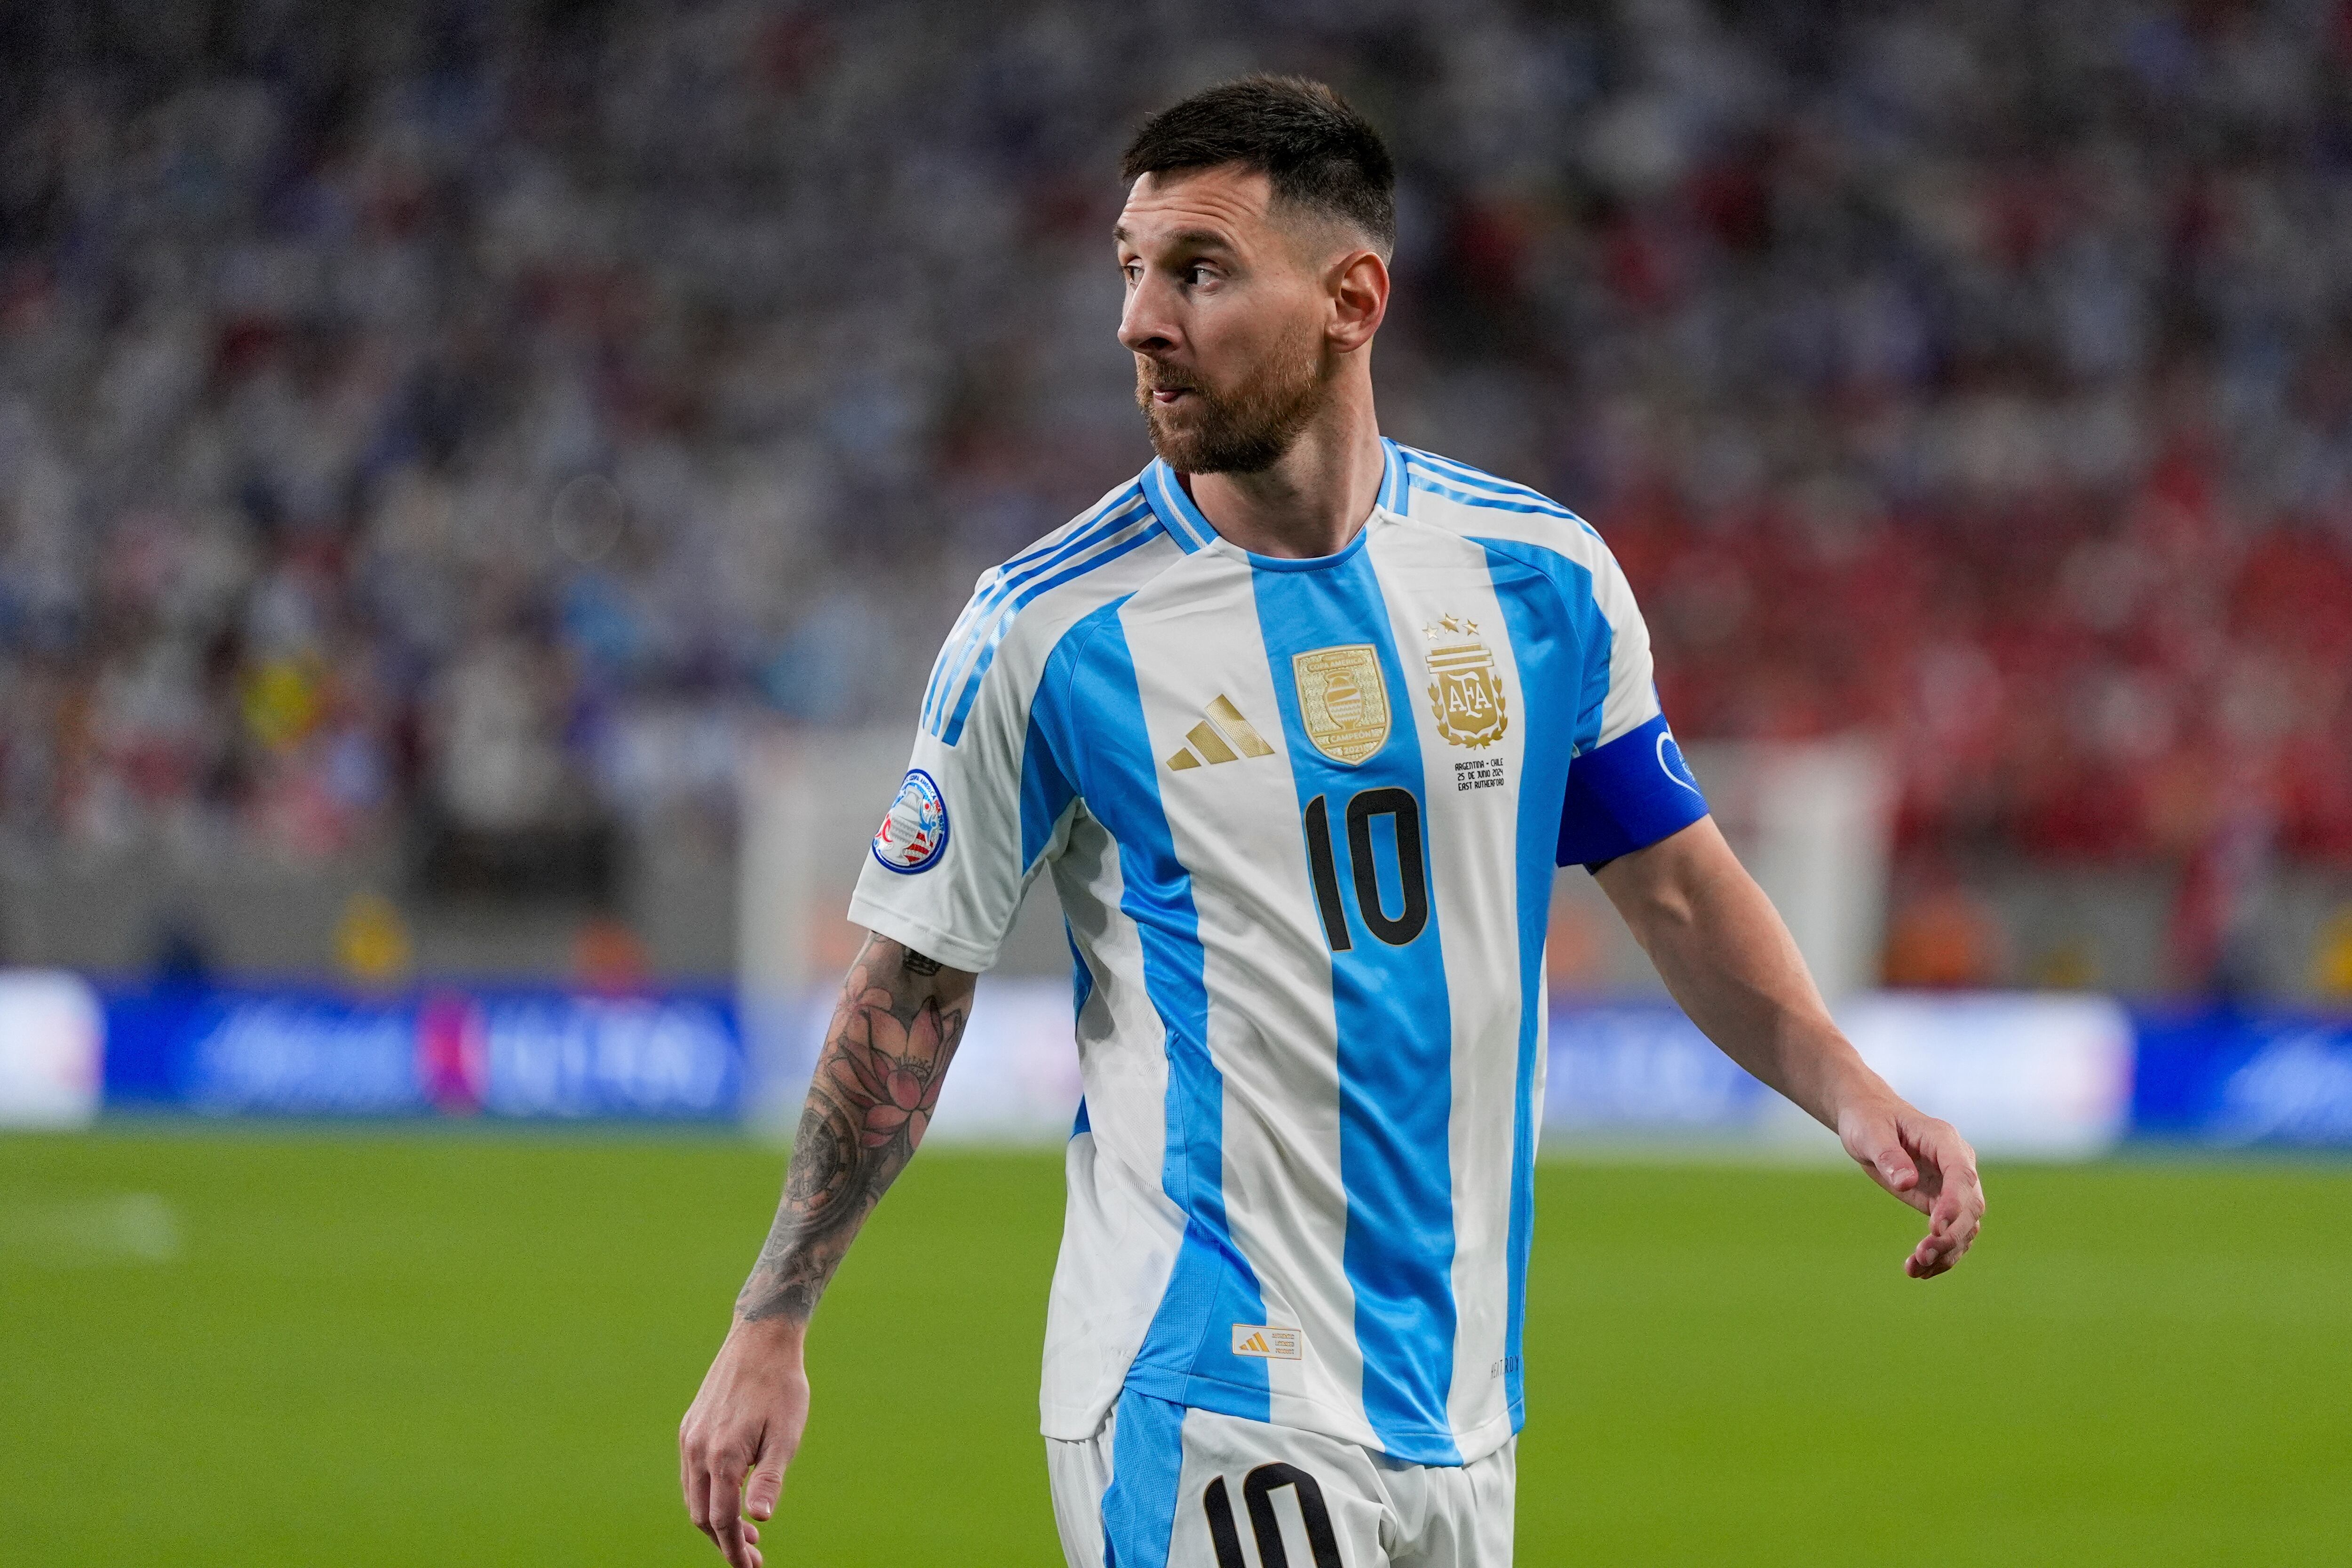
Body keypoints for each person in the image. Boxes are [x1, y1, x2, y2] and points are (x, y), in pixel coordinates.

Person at [680, 75, 1986, 1568]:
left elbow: (1675, 884)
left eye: (1201, 270)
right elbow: (909, 986)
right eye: (1131, 268)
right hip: (1204, 1379)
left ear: (1352, 298)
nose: (1140, 320)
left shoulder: (1540, 580)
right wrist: (770, 1321)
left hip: (1458, 1404)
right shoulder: (1046, 633)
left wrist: (1846, 1083)